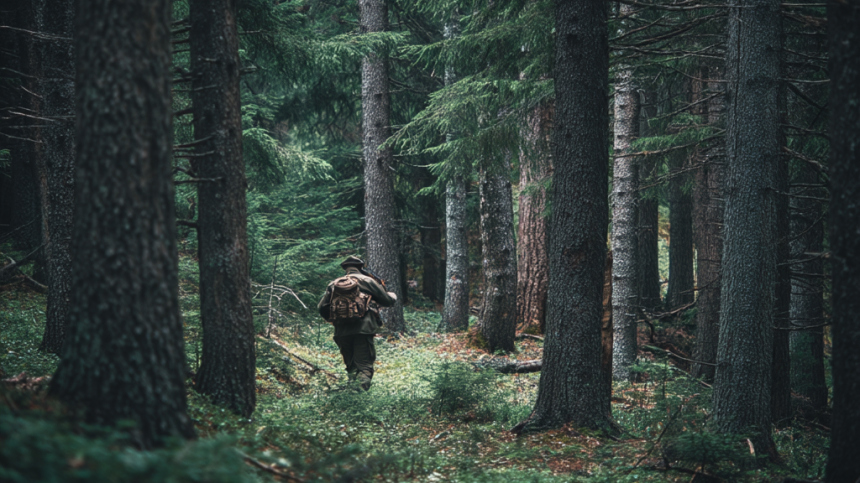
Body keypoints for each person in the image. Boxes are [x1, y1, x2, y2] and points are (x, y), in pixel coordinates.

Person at [318, 256, 397, 390]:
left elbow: (321, 307)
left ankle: (350, 398)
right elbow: (387, 301)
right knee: (364, 367)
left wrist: (335, 320)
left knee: (351, 367)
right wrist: (392, 295)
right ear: (361, 267)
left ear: (345, 269)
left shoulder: (334, 284)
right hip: (363, 329)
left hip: (341, 331)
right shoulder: (367, 280)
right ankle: (359, 400)